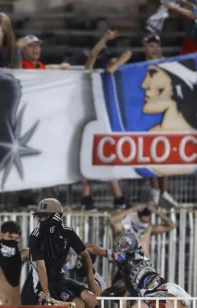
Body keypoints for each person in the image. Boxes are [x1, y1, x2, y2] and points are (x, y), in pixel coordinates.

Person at [29, 198, 97, 308]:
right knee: (78, 306)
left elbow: (85, 255)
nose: (40, 219)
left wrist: (91, 280)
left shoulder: (67, 231)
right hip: (42, 281)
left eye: (44, 216)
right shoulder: (36, 235)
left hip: (59, 277)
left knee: (91, 299)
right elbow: (41, 267)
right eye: (39, 216)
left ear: (56, 216)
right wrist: (45, 291)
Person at [82, 29, 131, 211]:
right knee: (87, 160)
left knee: (107, 159)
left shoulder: (110, 76)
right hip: (87, 120)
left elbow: (128, 54)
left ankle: (119, 199)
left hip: (105, 121)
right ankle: (86, 199)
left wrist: (114, 65)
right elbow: (93, 56)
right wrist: (104, 39)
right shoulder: (88, 73)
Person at [87, 231, 160, 299]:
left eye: (125, 244)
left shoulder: (122, 257)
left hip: (142, 293)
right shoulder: (142, 253)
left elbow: (97, 251)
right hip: (158, 288)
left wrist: (80, 247)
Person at [109, 205, 177, 256]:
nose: (146, 217)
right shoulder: (124, 226)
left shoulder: (148, 228)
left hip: (142, 264)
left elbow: (172, 225)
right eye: (144, 214)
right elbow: (112, 220)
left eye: (147, 214)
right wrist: (133, 209)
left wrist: (156, 211)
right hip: (126, 262)